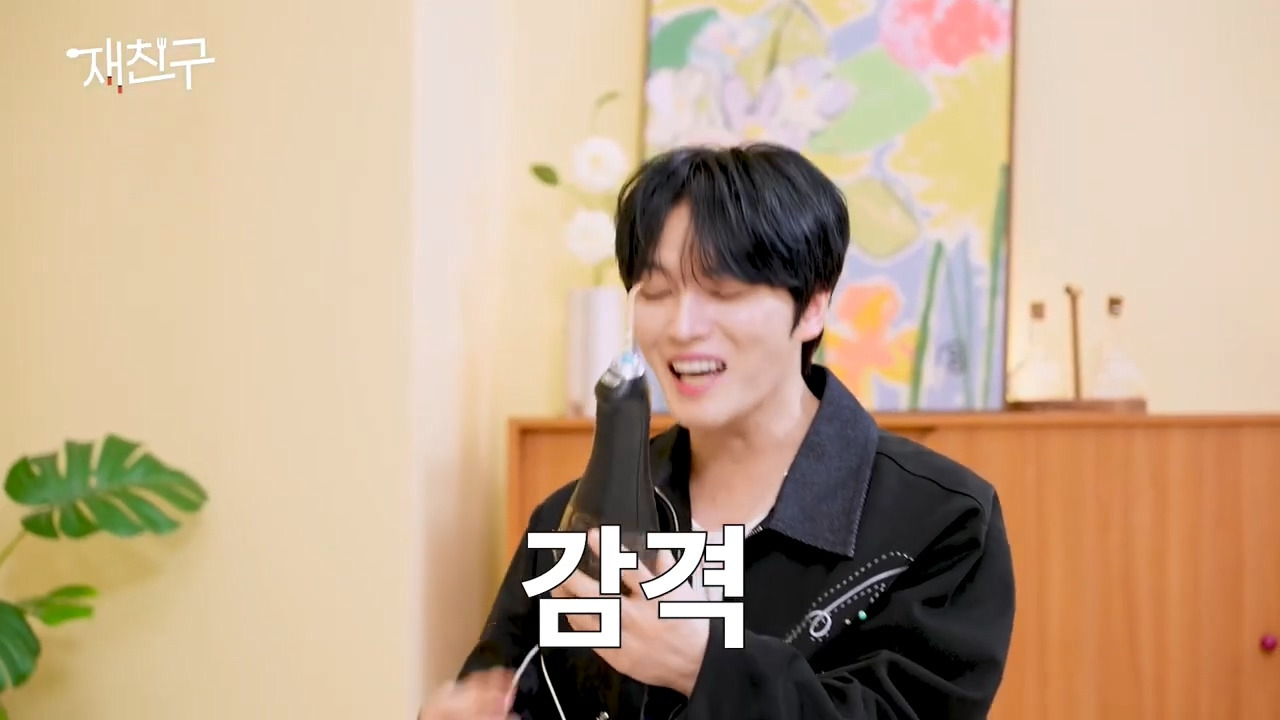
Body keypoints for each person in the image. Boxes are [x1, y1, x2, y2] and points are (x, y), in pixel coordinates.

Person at [419, 143, 1016, 720]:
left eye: (724, 292)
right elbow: (512, 689)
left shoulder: (940, 522)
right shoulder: (574, 522)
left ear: (812, 306)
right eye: (656, 292)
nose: (682, 327)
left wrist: (704, 665)